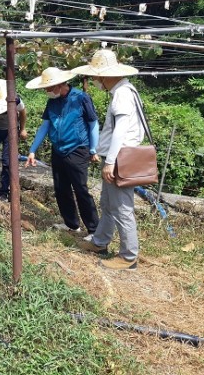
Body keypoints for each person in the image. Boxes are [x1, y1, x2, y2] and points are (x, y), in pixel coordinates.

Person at [73, 49, 144, 270]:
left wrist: (111, 161)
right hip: (118, 156)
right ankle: (100, 242)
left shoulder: (122, 93)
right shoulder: (123, 91)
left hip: (121, 157)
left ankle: (128, 256)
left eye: (96, 76)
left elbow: (121, 131)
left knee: (122, 207)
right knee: (108, 203)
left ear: (106, 75)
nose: (94, 80)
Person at [24, 67, 100, 235]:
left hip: (78, 149)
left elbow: (93, 123)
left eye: (48, 88)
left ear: (60, 84)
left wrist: (94, 149)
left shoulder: (81, 98)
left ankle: (94, 230)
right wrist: (32, 150)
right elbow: (45, 126)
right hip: (58, 149)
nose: (46, 91)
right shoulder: (52, 101)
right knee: (61, 188)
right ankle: (71, 224)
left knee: (81, 189)